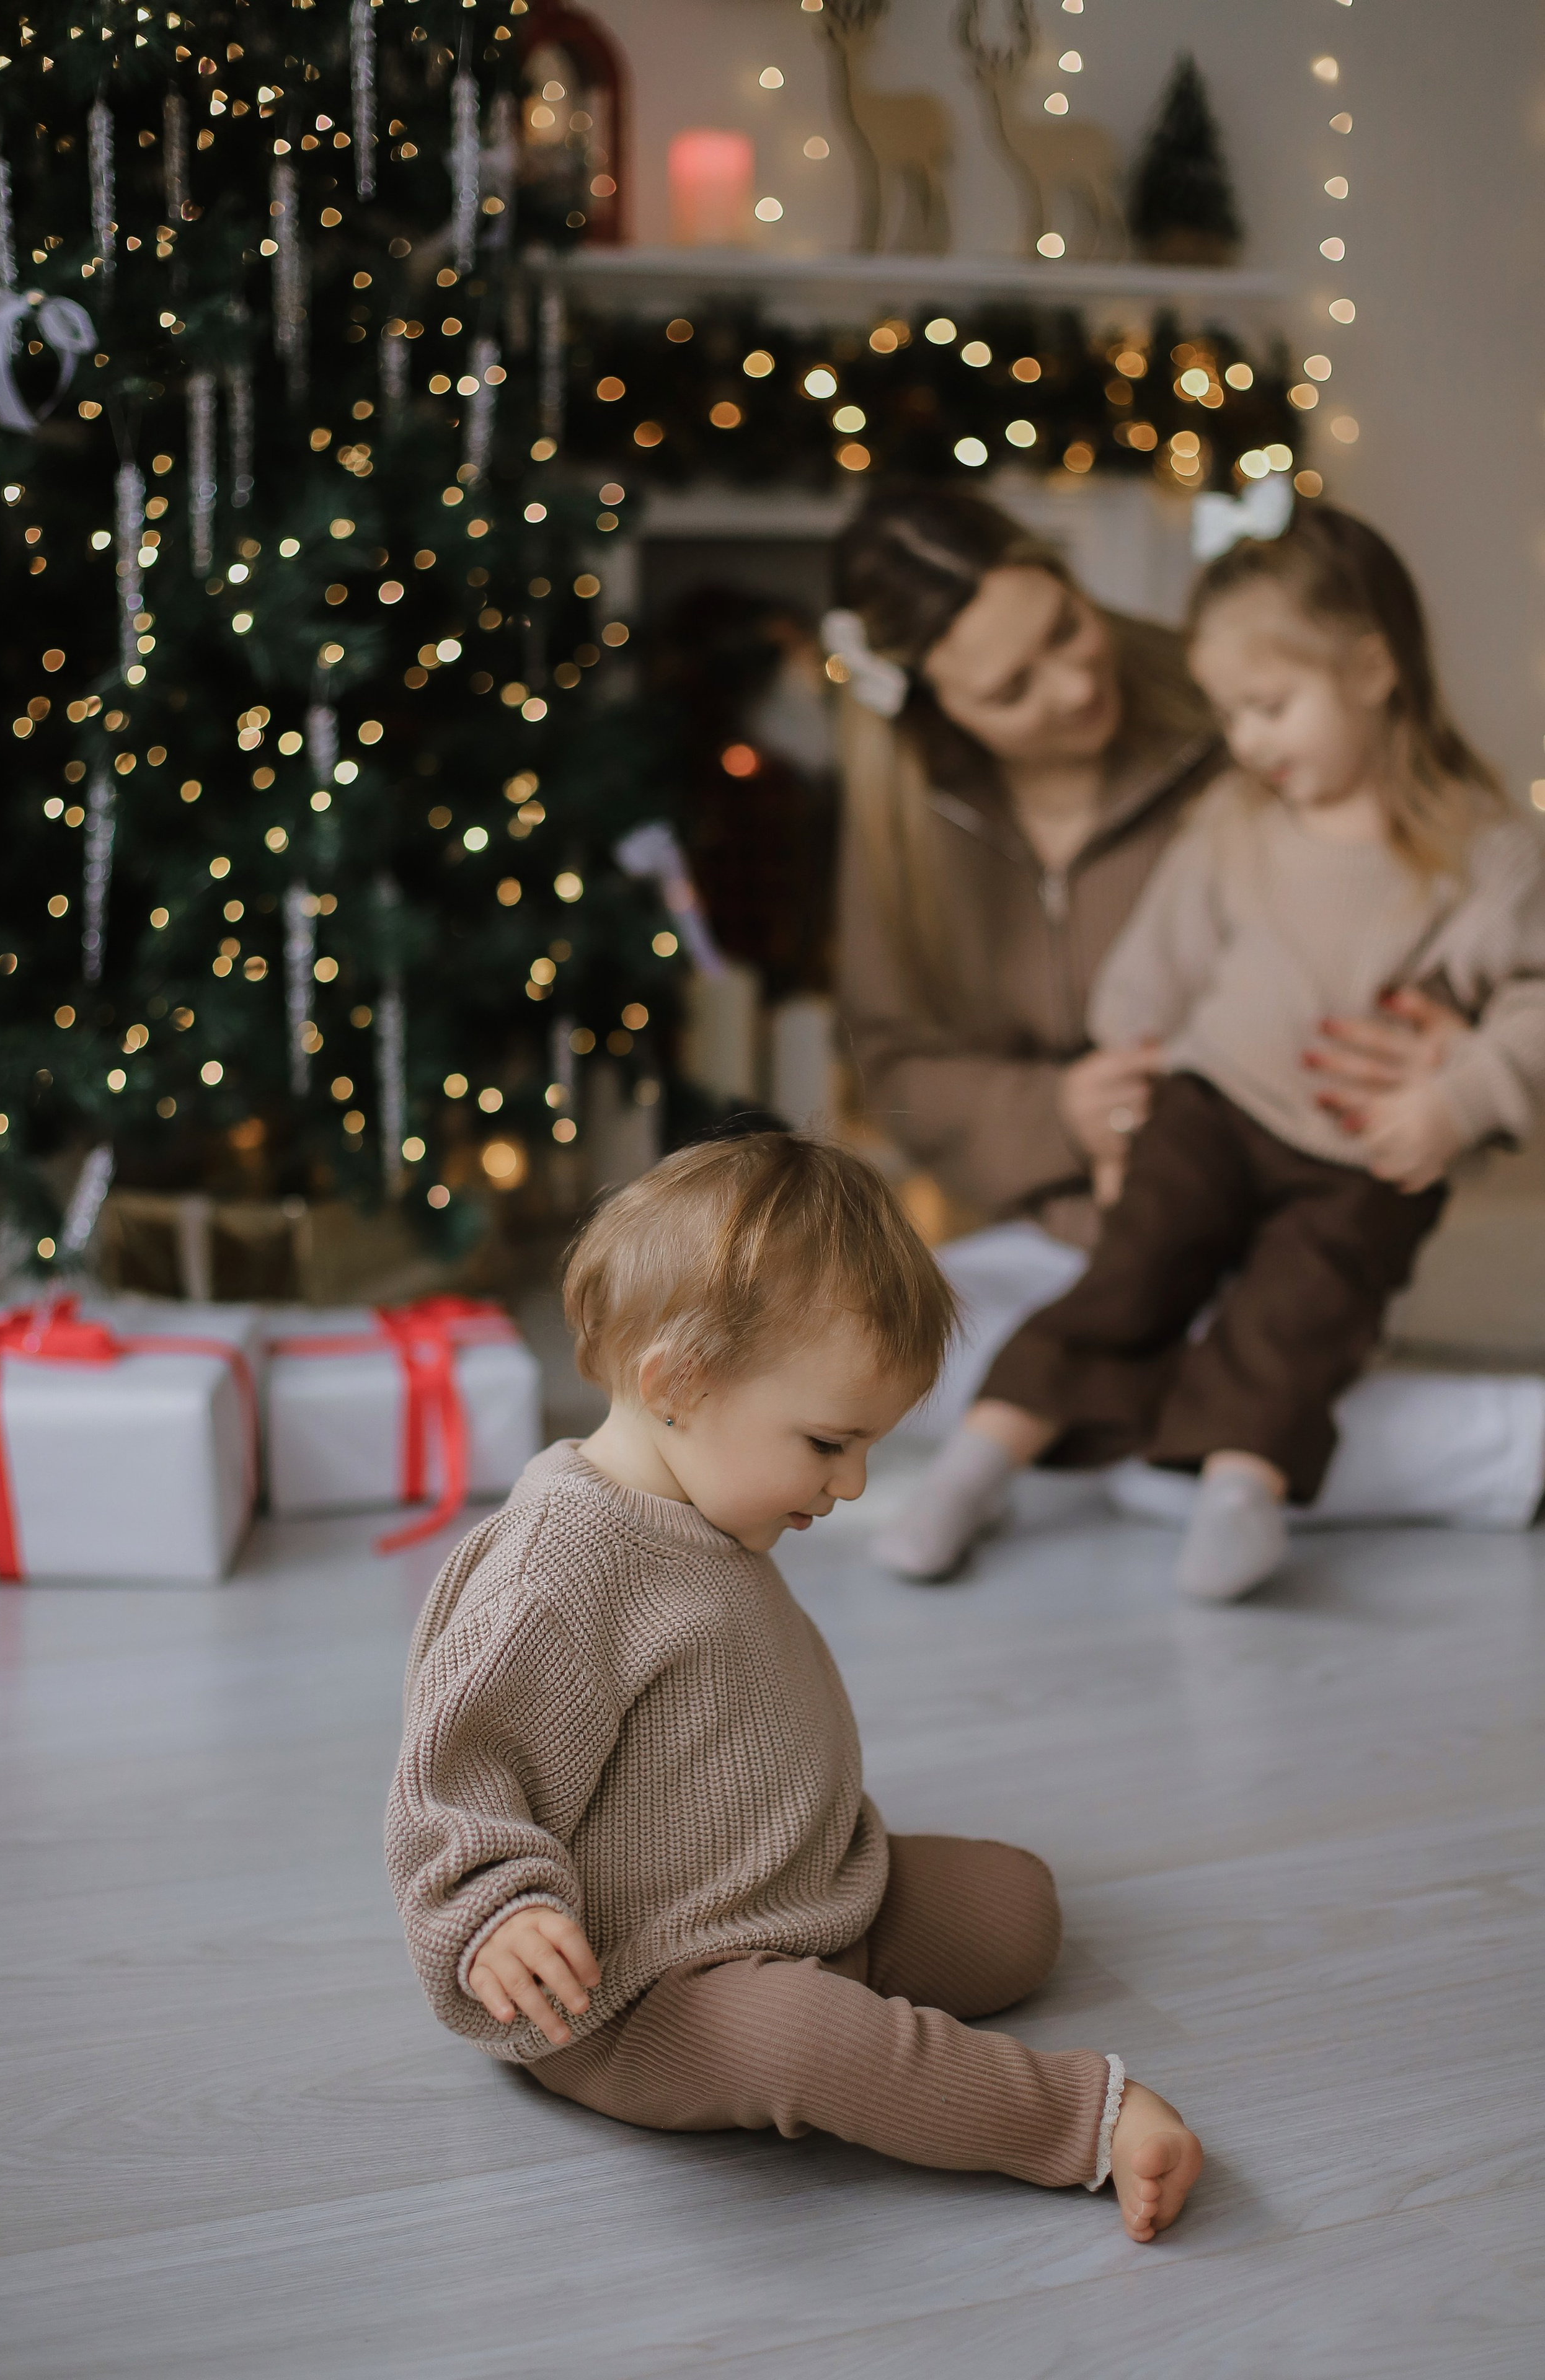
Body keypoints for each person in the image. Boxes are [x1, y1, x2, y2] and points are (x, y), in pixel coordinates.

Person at [386, 1132, 1203, 2240]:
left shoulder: (704, 1503)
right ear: (678, 1383)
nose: (855, 1484)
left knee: (1019, 1908)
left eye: (867, 1447)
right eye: (829, 1442)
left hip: (794, 1889)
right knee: (814, 2046)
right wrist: (496, 1916)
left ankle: (830, 1959)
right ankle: (1079, 2122)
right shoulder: (555, 1568)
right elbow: (450, 1784)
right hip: (639, 1990)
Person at [833, 481, 1545, 1538]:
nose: (1075, 684)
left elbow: (1458, 941)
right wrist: (1064, 1112)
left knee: (1265, 1354)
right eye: (1014, 687)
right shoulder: (910, 827)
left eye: (1068, 628)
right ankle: (1179, 1443)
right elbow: (893, 1059)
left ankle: (1481, 1442)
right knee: (872, 1355)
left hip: (1304, 1200)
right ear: (936, 705)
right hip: (1082, 1229)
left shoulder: (1245, 719)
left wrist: (1459, 1069)